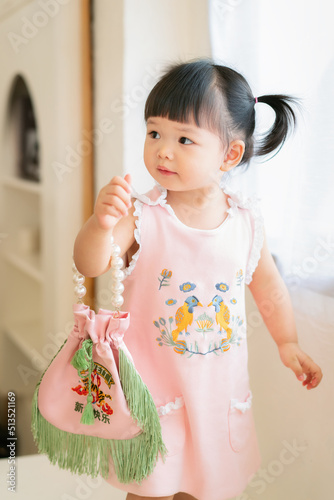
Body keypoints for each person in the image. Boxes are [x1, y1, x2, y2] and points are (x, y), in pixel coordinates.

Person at [74, 60, 323, 500]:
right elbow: (90, 264)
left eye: (184, 139)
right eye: (154, 133)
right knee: (149, 488)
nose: (163, 150)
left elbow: (269, 288)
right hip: (153, 393)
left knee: (209, 489)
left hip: (217, 396)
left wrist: (287, 342)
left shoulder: (245, 221)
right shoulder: (142, 216)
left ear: (229, 154)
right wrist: (98, 224)